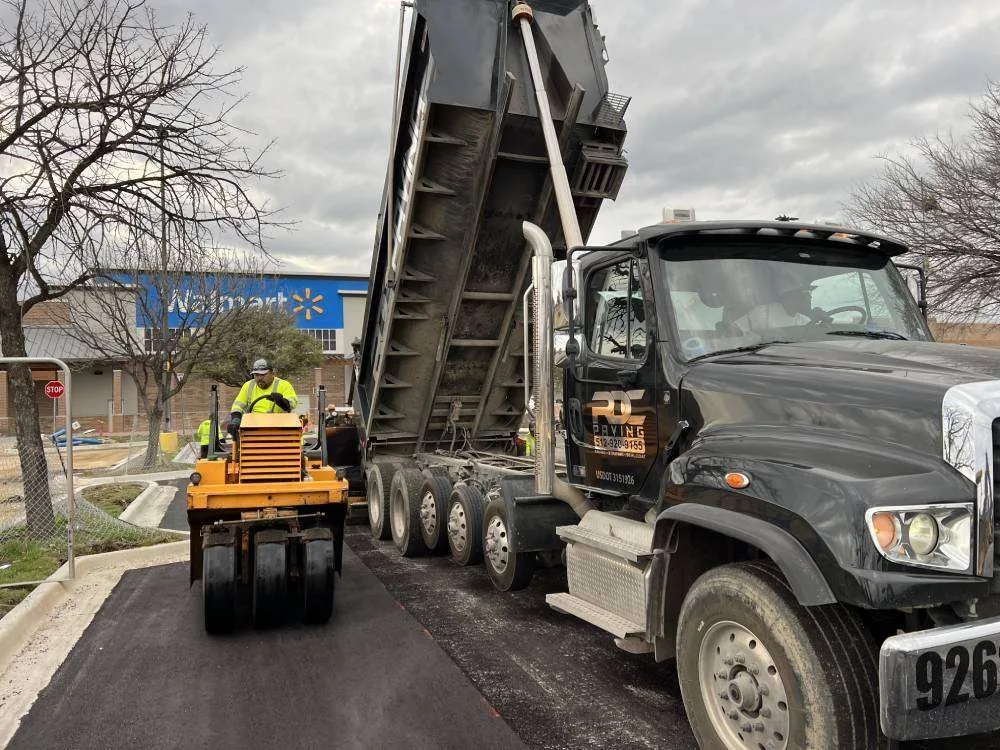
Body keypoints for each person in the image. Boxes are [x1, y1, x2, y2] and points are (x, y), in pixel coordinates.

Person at [228, 358, 299, 440]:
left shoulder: (284, 385)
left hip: (280, 428)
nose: (259, 378)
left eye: (263, 375)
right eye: (256, 375)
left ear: (273, 373)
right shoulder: (248, 386)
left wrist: (282, 401)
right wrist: (235, 420)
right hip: (254, 429)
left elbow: (292, 404)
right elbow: (238, 406)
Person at [730, 275, 814, 336]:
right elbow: (736, 327)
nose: (809, 297)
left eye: (809, 294)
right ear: (788, 296)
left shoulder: (804, 320)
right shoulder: (765, 311)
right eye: (802, 294)